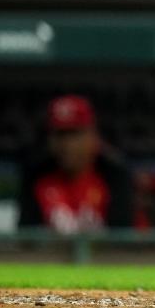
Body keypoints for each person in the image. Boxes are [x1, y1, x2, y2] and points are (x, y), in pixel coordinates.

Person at [19, 95, 134, 233]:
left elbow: (124, 241)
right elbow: (26, 241)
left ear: (93, 136)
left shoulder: (115, 176)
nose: (67, 145)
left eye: (75, 134)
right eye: (60, 135)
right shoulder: (36, 177)